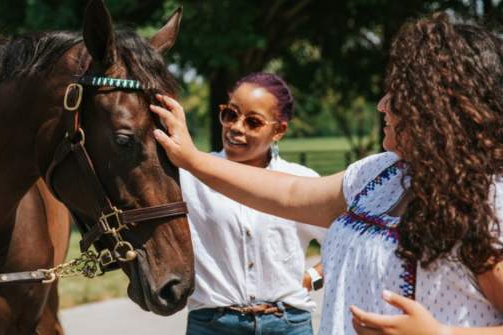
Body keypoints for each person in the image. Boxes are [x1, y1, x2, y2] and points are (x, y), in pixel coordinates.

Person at [151, 13, 503, 335]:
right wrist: (192, 158)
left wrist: (441, 334)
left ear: (439, 108)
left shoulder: (487, 202)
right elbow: (288, 194)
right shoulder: (379, 176)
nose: (382, 104)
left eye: (399, 95)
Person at [180, 72, 326, 335]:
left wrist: (311, 278)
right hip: (213, 325)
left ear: (278, 130)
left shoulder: (301, 181)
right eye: (230, 114)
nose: (237, 127)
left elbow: (344, 244)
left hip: (288, 325)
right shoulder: (190, 176)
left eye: (253, 121)